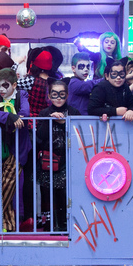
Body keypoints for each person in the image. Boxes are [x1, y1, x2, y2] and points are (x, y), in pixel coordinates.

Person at [0, 67, 31, 231]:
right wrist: (9, 116)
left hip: (17, 149)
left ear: (14, 85)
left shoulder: (22, 95)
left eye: (5, 85)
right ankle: (7, 225)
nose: (2, 89)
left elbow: (25, 113)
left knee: (6, 187)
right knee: (1, 187)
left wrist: (12, 115)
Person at [36, 79, 78, 232]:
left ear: (67, 96)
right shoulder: (44, 113)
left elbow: (79, 135)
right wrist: (49, 121)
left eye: (62, 95)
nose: (58, 98)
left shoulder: (74, 112)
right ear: (49, 96)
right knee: (48, 194)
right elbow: (40, 137)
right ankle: (51, 225)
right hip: (49, 160)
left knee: (65, 194)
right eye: (55, 94)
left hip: (69, 160)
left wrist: (64, 123)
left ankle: (66, 225)